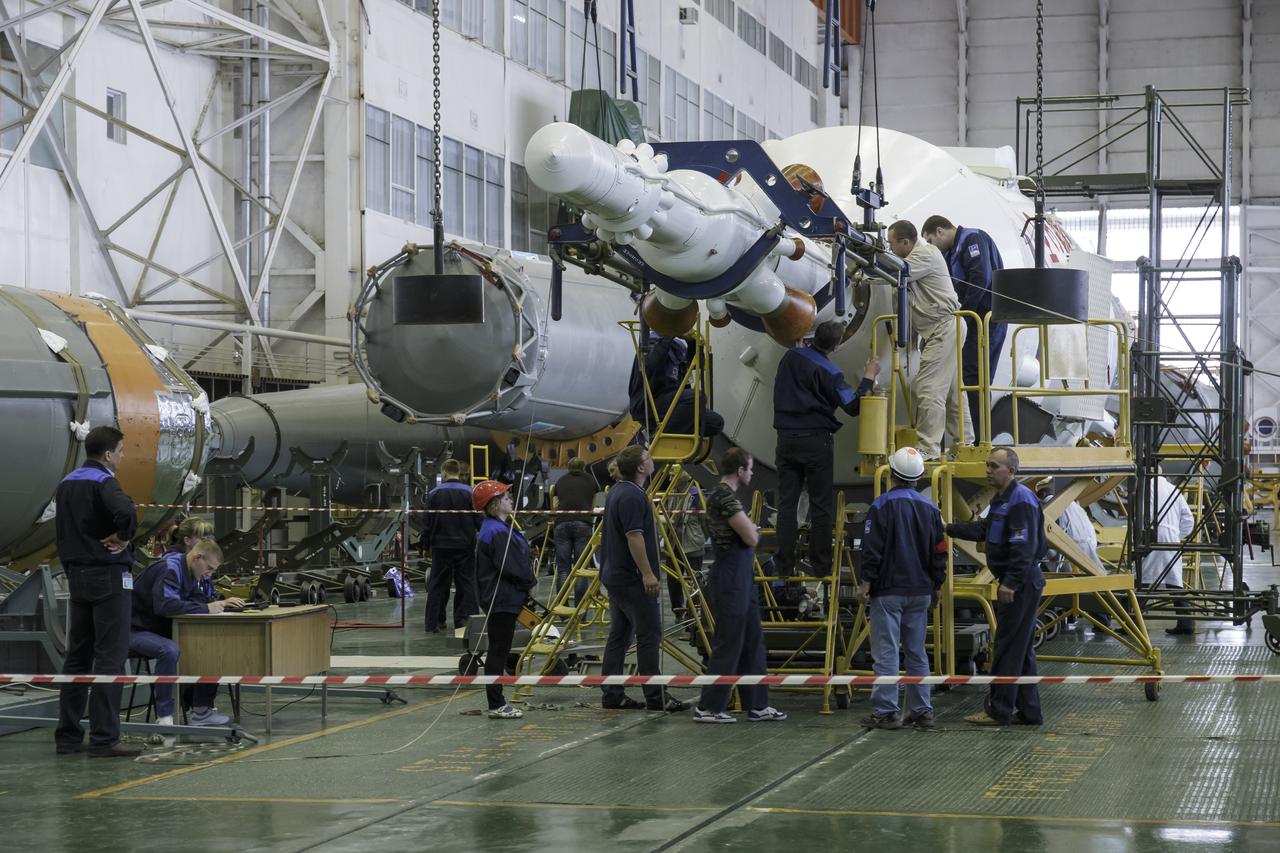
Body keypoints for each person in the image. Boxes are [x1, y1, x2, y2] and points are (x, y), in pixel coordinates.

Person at [54, 425, 143, 757]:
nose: (122, 456)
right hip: (107, 576)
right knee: (110, 657)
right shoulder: (104, 481)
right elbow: (127, 512)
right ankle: (105, 739)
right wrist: (123, 537)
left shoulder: (66, 483)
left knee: (77, 657)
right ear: (108, 454)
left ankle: (68, 737)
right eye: (120, 451)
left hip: (76, 577)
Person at [773, 319, 880, 580]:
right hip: (816, 442)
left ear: (813, 337)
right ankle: (821, 566)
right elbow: (852, 407)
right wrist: (869, 376)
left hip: (785, 439)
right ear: (835, 346)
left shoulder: (789, 357)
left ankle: (783, 566)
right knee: (821, 506)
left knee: (787, 505)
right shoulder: (830, 373)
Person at [946, 448, 1047, 726]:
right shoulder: (1002, 499)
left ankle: (999, 710)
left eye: (994, 466)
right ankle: (1030, 712)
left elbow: (1024, 548)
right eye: (987, 465)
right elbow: (983, 531)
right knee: (1021, 650)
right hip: (1020, 580)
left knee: (1006, 647)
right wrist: (948, 528)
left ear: (1011, 471)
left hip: (1021, 582)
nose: (987, 470)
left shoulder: (1021, 500)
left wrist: (1010, 583)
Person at [692, 447, 787, 723]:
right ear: (740, 470)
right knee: (730, 641)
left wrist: (750, 528)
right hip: (731, 576)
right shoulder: (723, 496)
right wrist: (752, 529)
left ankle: (757, 705)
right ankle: (708, 707)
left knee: (753, 641)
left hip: (741, 576)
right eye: (750, 468)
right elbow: (751, 537)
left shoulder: (728, 496)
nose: (752, 473)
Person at [856, 447, 946, 730]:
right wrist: (938, 585)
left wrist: (865, 583)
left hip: (888, 591)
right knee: (917, 652)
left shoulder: (880, 506)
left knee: (887, 653)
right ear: (918, 477)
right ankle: (922, 711)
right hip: (921, 591)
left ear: (891, 474)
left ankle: (886, 712)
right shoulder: (931, 508)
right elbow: (940, 551)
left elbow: (871, 550)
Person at [599, 445, 690, 712]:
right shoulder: (632, 496)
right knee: (649, 635)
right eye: (648, 458)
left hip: (615, 576)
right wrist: (648, 573)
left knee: (619, 636)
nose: (652, 461)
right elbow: (634, 536)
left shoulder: (618, 491)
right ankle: (656, 696)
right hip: (632, 579)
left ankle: (612, 694)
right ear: (640, 467)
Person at [129, 539, 243, 728]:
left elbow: (197, 600)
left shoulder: (191, 573)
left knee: (211, 642)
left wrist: (221, 603)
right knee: (169, 650)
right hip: (134, 629)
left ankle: (201, 711)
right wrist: (207, 608)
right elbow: (165, 605)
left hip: (158, 629)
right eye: (209, 568)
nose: (210, 574)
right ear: (197, 558)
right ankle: (164, 716)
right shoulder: (170, 568)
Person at [887, 220, 975, 459]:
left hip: (945, 327)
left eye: (891, 243)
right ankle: (965, 445)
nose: (889, 248)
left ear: (905, 242)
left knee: (927, 388)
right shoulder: (912, 263)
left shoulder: (925, 253)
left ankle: (928, 448)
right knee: (953, 393)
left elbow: (897, 272)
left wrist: (868, 260)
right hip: (940, 330)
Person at [922, 216, 1009, 428]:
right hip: (972, 321)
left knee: (975, 376)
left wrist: (963, 314)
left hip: (985, 320)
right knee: (968, 376)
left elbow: (981, 277)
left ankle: (980, 438)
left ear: (940, 231)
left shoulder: (972, 239)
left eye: (931, 241)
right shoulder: (951, 252)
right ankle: (973, 435)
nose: (932, 247)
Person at [472, 480, 537, 720]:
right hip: (501, 598)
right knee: (498, 651)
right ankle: (496, 704)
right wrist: (529, 583)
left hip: (503, 596)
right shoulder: (497, 532)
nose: (510, 500)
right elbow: (511, 566)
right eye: (506, 497)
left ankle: (497, 702)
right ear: (495, 504)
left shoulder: (497, 527)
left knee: (500, 648)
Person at [628, 331, 724, 438]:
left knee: (716, 422)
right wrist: (671, 332)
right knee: (696, 396)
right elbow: (650, 365)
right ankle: (662, 439)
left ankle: (669, 434)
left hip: (672, 403)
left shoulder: (678, 347)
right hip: (648, 404)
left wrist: (692, 341)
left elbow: (698, 365)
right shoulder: (650, 343)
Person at [422, 459, 480, 634]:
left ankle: (434, 623)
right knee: (466, 584)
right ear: (458, 473)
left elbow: (427, 522)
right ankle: (464, 622)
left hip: (441, 547)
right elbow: (478, 520)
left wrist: (425, 546)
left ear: (444, 473)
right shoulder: (470, 492)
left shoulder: (433, 494)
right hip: (465, 546)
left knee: (437, 585)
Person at [1144, 473, 1196, 636]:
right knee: (1174, 582)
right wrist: (1176, 535)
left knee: (1143, 581)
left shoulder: (1144, 487)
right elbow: (1189, 519)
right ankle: (1186, 623)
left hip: (1151, 535)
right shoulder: (1174, 489)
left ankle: (1131, 622)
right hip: (1172, 538)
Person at [550, 458, 597, 605]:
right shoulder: (591, 480)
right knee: (580, 568)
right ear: (583, 467)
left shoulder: (560, 480)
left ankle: (562, 608)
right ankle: (579, 609)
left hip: (561, 523)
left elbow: (555, 505)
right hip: (583, 523)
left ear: (568, 468)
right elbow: (592, 506)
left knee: (563, 569)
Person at [669, 472, 709, 617]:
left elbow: (706, 521)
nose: (670, 478)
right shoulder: (671, 493)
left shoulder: (696, 495)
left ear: (685, 476)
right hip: (673, 544)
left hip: (691, 543)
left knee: (694, 580)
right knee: (673, 580)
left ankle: (692, 614)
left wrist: (699, 538)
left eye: (673, 474)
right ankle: (678, 611)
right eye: (670, 474)